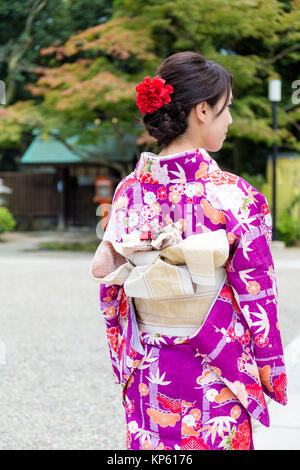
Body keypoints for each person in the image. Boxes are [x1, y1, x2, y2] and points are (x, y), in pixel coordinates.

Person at [90, 51, 287, 450]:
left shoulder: (129, 191)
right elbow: (258, 297)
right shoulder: (236, 196)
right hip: (217, 370)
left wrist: (124, 359)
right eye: (225, 108)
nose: (230, 119)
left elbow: (111, 292)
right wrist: (269, 371)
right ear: (201, 111)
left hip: (149, 370)